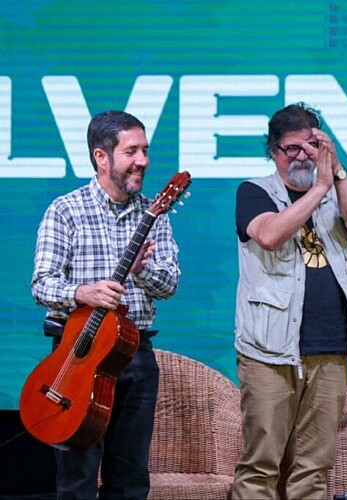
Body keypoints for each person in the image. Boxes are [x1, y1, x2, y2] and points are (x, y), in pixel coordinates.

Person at [30, 110, 181, 498]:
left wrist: (143, 270)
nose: (143, 161)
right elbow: (42, 284)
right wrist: (83, 293)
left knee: (130, 480)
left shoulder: (155, 212)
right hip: (76, 354)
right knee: (77, 478)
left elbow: (169, 285)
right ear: (101, 156)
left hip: (134, 354)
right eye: (132, 151)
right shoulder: (66, 210)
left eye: (145, 150)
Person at [232, 102, 347, 499]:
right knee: (261, 465)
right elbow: (269, 235)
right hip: (269, 350)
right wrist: (319, 189)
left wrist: (337, 170)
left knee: (314, 467)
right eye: (291, 148)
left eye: (311, 147)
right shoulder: (255, 191)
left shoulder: (334, 191)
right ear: (273, 150)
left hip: (331, 346)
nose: (301, 157)